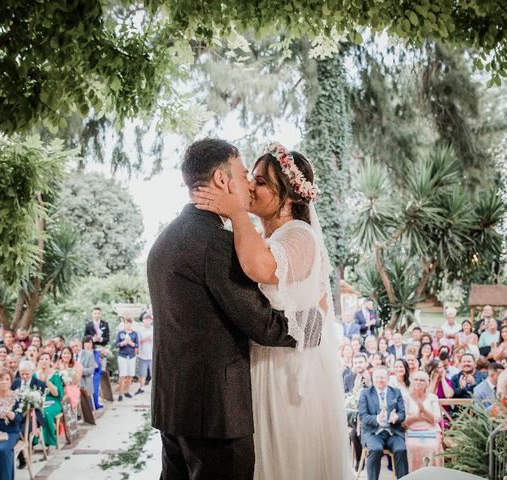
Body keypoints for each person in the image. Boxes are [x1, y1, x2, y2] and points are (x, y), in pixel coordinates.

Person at [193, 141, 351, 479]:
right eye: (252, 176)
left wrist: (236, 211)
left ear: (291, 196)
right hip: (260, 367)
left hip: (287, 376)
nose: (250, 185)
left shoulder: (300, 235)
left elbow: (259, 267)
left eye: (262, 182)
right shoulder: (263, 235)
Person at [147, 139, 299, 480]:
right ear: (222, 180)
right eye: (244, 174)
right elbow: (262, 323)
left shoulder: (164, 239)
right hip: (215, 415)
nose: (247, 184)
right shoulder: (215, 243)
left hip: (172, 406)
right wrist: (312, 324)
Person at [358, 366, 409, 480]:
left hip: (393, 432)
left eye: (382, 377)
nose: (379, 380)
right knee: (375, 450)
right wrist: (376, 418)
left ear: (388, 378)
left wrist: (397, 417)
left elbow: (402, 413)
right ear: (372, 378)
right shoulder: (365, 393)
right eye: (376, 377)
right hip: (373, 433)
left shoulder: (396, 392)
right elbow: (363, 416)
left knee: (401, 449)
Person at [403, 371, 443, 472]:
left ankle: (432, 476)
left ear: (427, 383)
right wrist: (417, 416)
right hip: (412, 430)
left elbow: (436, 419)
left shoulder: (433, 397)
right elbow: (404, 421)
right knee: (411, 446)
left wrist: (424, 410)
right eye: (416, 379)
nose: (418, 382)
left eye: (422, 380)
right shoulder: (406, 397)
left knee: (432, 446)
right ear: (411, 381)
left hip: (431, 430)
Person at [35, 352, 63, 452]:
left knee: (46, 412)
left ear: (50, 361)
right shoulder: (35, 375)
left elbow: (57, 394)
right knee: (32, 413)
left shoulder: (55, 374)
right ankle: (34, 440)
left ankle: (49, 441)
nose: (44, 361)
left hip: (53, 401)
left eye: (46, 359)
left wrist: (47, 382)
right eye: (42, 359)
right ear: (38, 361)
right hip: (38, 401)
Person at [115, 318, 139, 401]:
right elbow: (116, 344)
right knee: (122, 375)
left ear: (131, 324)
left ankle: (127, 391)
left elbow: (137, 345)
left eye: (129, 323)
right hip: (122, 356)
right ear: (124, 324)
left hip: (131, 356)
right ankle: (120, 394)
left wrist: (131, 343)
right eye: (126, 323)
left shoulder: (134, 334)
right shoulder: (120, 333)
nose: (128, 325)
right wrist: (123, 343)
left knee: (130, 374)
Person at [82, 336, 103, 409]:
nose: (88, 344)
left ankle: (94, 404)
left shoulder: (95, 353)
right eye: (86, 342)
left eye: (90, 342)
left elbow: (96, 366)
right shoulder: (81, 353)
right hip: (83, 373)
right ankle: (88, 406)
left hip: (94, 373)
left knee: (93, 384)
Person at [136, 313, 154, 395]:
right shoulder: (139, 330)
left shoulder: (154, 330)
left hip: (152, 355)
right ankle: (141, 388)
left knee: (153, 372)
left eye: (149, 320)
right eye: (145, 320)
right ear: (143, 321)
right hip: (142, 354)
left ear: (151, 321)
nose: (147, 321)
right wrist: (145, 340)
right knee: (142, 373)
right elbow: (137, 342)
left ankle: (154, 389)